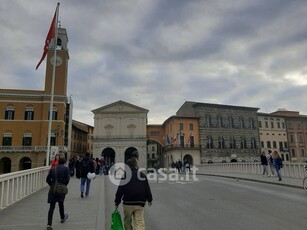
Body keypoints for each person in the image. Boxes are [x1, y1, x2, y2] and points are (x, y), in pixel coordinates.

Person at [115, 157, 153, 230]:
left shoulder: (125, 176)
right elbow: (147, 189)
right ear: (136, 165)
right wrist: (150, 199)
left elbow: (120, 190)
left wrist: (117, 202)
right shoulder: (142, 175)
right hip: (140, 202)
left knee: (127, 221)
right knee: (139, 222)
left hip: (128, 203)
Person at [46, 157, 70, 230]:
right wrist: (63, 186)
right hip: (61, 189)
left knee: (51, 207)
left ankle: (49, 224)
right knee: (61, 203)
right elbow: (67, 179)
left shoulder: (53, 169)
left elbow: (47, 179)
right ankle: (62, 218)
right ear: (64, 162)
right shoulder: (66, 169)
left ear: (58, 162)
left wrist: (52, 185)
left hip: (53, 189)